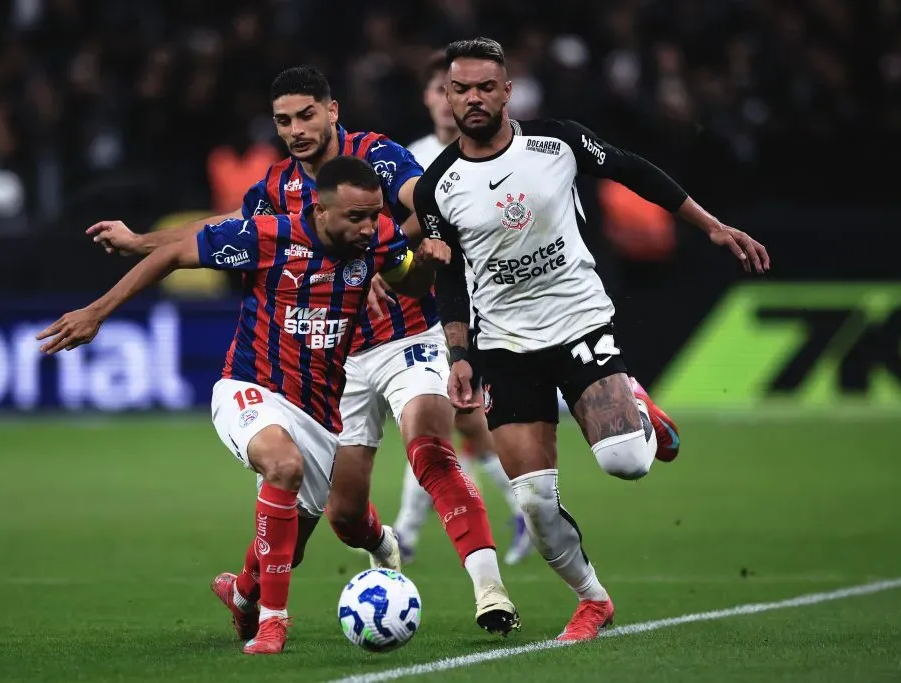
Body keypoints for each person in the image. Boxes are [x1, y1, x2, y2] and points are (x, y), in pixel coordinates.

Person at [87, 66, 520, 639]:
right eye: (284, 121)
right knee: (332, 516)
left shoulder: (378, 158)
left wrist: (387, 249)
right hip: (336, 365)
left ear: (332, 111)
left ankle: (490, 592)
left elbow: (426, 205)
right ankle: (249, 588)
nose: (296, 130)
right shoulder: (275, 189)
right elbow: (228, 229)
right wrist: (144, 240)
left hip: (405, 334)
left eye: (307, 115)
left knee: (430, 446)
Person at [415, 37, 770, 642]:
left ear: (506, 91)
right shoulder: (435, 189)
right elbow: (448, 278)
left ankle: (635, 403)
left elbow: (633, 171)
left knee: (626, 462)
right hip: (503, 345)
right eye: (461, 88)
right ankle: (593, 600)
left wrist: (709, 225)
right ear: (448, 96)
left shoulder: (558, 141)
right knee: (532, 502)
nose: (472, 98)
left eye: (484, 87)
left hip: (578, 323)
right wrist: (459, 355)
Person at [38, 156, 450, 655]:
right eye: (356, 218)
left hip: (319, 411)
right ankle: (274, 624)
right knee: (282, 464)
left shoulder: (379, 235)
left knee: (289, 547)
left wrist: (423, 261)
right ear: (321, 210)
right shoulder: (266, 236)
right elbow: (174, 256)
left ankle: (243, 593)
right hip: (249, 386)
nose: (369, 227)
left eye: (374, 215)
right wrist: (96, 312)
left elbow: (406, 278)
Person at [394, 51, 532, 567]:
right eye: (438, 91)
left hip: (486, 304)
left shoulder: (495, 149)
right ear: (435, 97)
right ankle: (520, 509)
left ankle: (408, 532)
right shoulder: (411, 160)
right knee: (446, 425)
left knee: (451, 425)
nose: (449, 101)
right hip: (426, 305)